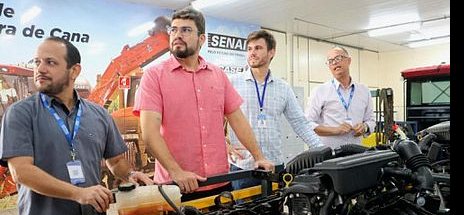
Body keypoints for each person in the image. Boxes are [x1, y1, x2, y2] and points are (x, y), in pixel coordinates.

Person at [0, 37, 153, 215]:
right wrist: (79, 193)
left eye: (50, 62)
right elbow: (21, 172)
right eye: (37, 62)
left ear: (74, 71)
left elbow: (116, 160)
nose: (40, 69)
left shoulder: (98, 115)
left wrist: (129, 175)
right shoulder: (20, 114)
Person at [134, 7, 274, 201]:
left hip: (219, 182)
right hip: (177, 186)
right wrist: (176, 171)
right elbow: (149, 132)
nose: (177, 35)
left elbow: (237, 119)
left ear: (201, 39)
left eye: (186, 30)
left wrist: (258, 156)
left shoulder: (217, 75)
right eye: (173, 30)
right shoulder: (154, 76)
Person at [228, 29, 323, 189]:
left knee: (274, 212)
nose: (252, 53)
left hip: (274, 166)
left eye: (258, 48)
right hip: (244, 166)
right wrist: (225, 145)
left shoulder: (283, 87)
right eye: (249, 49)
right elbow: (213, 118)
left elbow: (300, 123)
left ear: (271, 52)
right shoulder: (232, 83)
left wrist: (321, 150)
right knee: (242, 214)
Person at [305, 46, 375, 149]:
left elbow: (371, 120)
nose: (334, 63)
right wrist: (336, 130)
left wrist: (365, 127)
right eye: (330, 61)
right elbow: (307, 123)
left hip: (356, 153)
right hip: (329, 155)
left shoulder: (363, 90)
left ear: (349, 61)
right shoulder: (320, 91)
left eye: (338, 58)